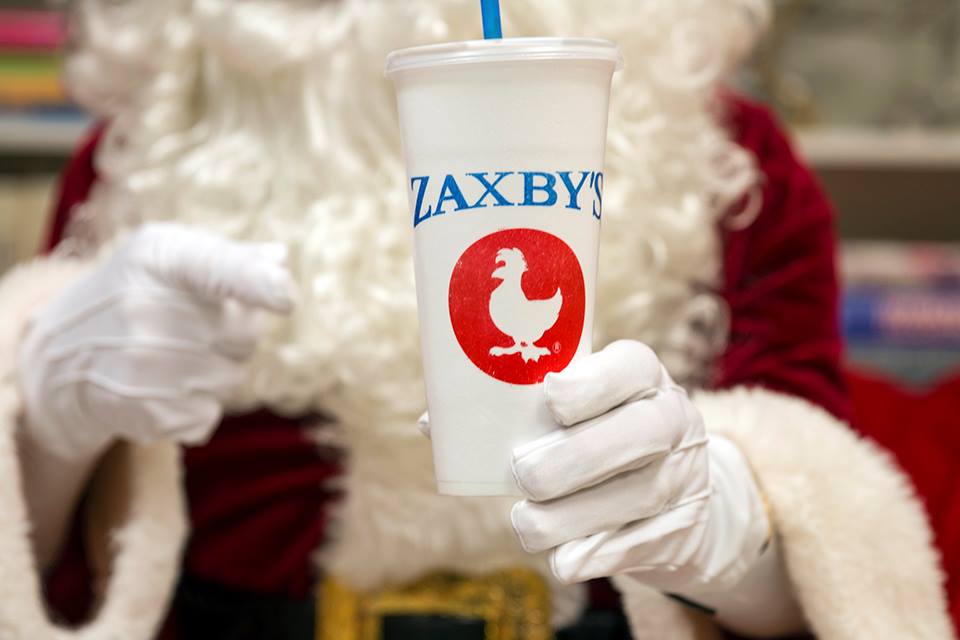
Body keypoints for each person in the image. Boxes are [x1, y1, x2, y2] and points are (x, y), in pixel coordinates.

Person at [0, 0, 953, 638]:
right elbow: (53, 581)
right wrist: (47, 424)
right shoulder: (132, 162)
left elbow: (825, 569)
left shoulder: (735, 166)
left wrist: (729, 525)